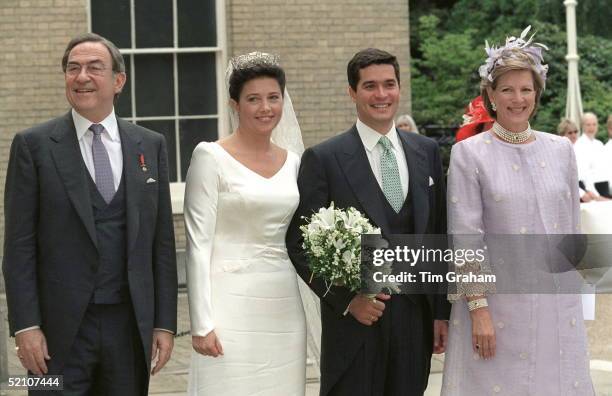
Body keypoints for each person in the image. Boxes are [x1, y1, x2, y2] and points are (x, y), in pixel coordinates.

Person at [2, 33, 177, 394]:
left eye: (94, 68)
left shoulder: (150, 145)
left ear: (118, 81)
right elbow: (19, 246)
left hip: (128, 327)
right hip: (56, 334)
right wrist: (25, 327)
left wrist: (164, 323)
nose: (81, 76)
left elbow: (161, 243)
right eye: (73, 68)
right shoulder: (33, 146)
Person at [287, 48, 450, 396]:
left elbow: (439, 233)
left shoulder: (427, 152)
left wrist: (440, 313)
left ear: (400, 88)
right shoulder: (324, 158)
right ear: (352, 92)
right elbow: (299, 243)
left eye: (389, 84)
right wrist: (348, 301)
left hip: (414, 320)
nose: (381, 95)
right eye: (370, 86)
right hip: (355, 323)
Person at [441, 27, 594, 395]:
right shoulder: (470, 154)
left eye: (526, 89)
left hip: (555, 306)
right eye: (507, 89)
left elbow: (571, 232)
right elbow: (465, 238)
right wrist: (478, 311)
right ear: (490, 95)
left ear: (537, 95)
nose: (517, 98)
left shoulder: (560, 150)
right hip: (496, 309)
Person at [184, 52, 307, 395]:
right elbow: (198, 243)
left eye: (273, 98)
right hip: (228, 303)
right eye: (253, 99)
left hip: (283, 301)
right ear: (235, 104)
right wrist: (201, 322)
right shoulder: (210, 156)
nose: (265, 108)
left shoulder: (294, 163)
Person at [557, 118, 607, 202]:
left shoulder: (577, 149)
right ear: (562, 134)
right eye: (570, 132)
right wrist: (581, 193)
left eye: (575, 131)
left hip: (584, 188)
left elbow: (584, 174)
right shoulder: (559, 152)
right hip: (570, 193)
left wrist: (591, 193)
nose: (574, 135)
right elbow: (562, 178)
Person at [575, 112, 610, 197]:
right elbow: (582, 174)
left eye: (594, 124)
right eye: (588, 125)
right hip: (590, 190)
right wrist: (594, 194)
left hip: (605, 187)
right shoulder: (579, 145)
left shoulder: (600, 144)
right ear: (582, 126)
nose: (592, 127)